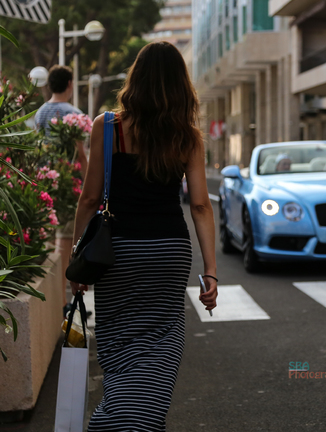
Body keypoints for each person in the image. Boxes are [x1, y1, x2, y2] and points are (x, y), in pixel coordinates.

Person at [70, 42, 218, 431]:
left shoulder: (108, 127)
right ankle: (136, 421)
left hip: (117, 253)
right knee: (161, 339)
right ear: (179, 85)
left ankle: (123, 421)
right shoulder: (187, 136)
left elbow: (87, 198)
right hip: (169, 253)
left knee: (119, 342)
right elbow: (201, 207)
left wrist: (76, 259)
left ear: (135, 79)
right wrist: (212, 271)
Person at [34, 65, 88, 179]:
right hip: (66, 176)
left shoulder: (40, 112)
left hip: (44, 175)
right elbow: (80, 155)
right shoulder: (74, 114)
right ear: (69, 84)